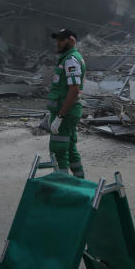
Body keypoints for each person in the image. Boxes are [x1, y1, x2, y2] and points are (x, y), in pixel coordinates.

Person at [46, 28, 86, 178]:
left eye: (62, 40)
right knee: (69, 148)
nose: (58, 43)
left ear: (72, 40)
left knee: (58, 149)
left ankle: (62, 186)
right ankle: (80, 182)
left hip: (66, 113)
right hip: (65, 111)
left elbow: (74, 91)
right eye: (57, 40)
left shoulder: (71, 60)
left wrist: (60, 116)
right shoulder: (68, 58)